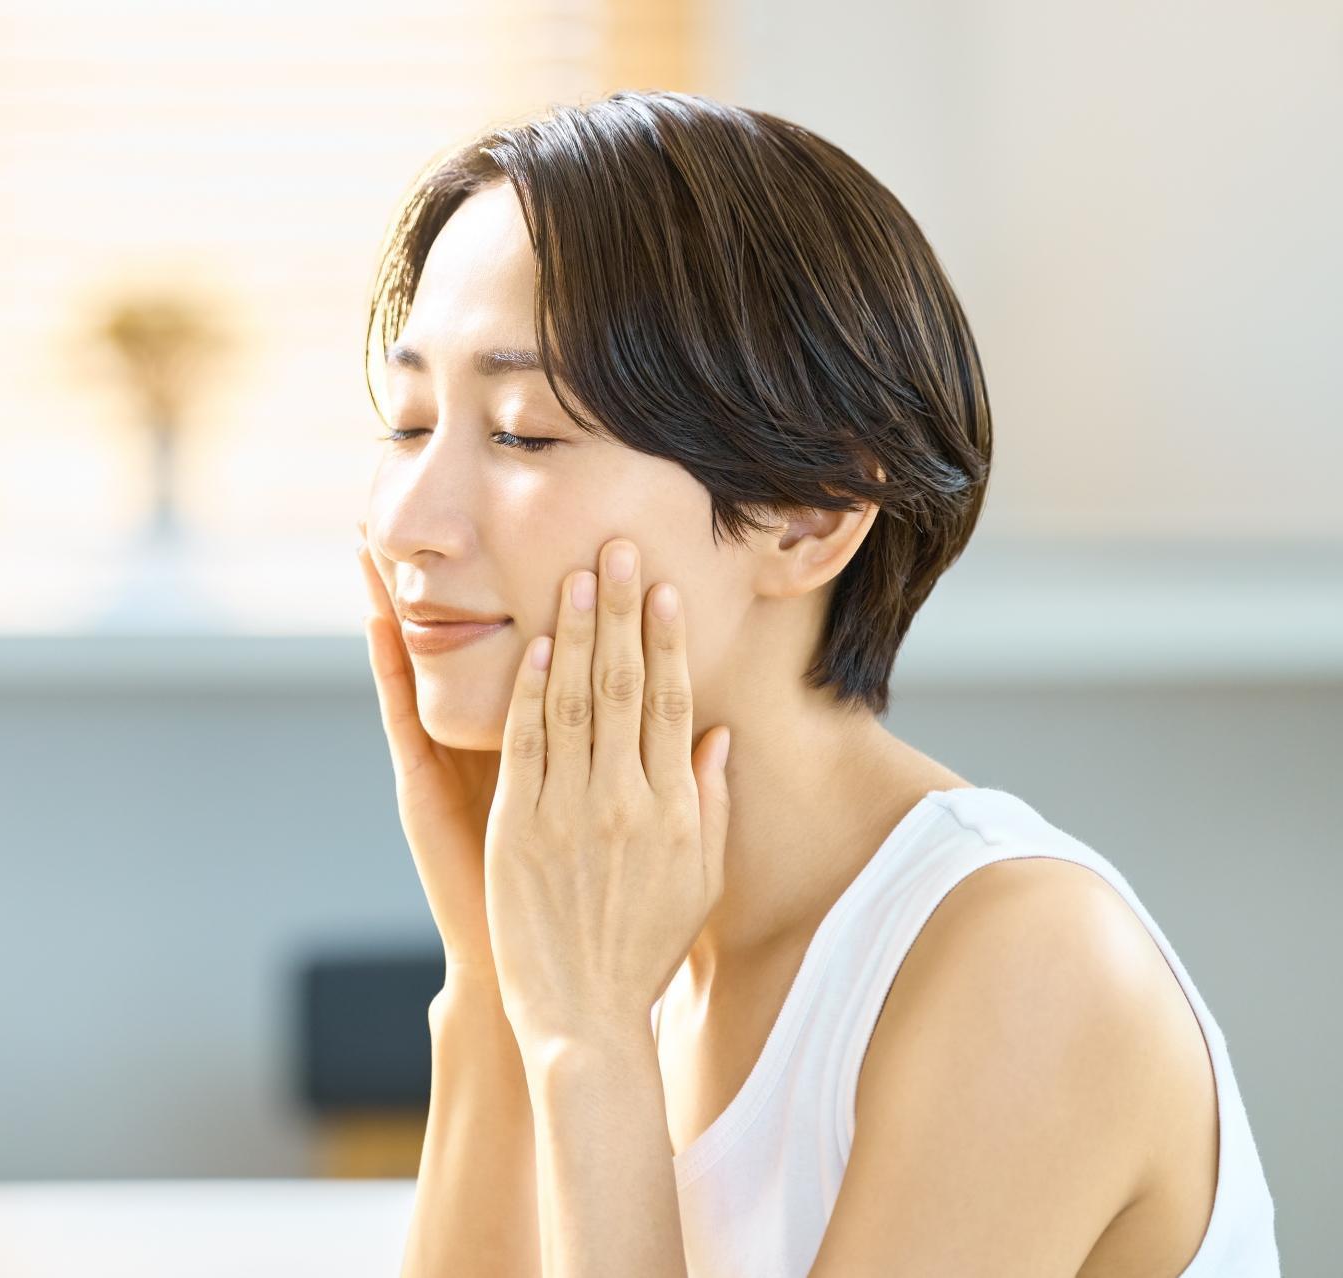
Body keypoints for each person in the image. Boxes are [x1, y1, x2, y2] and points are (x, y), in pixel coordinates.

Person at [354, 91, 1278, 1277]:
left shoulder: (1028, 965)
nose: (406, 525)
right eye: (409, 420)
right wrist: (493, 976)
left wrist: (588, 1043)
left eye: (524, 432)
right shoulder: (631, 959)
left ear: (810, 513)